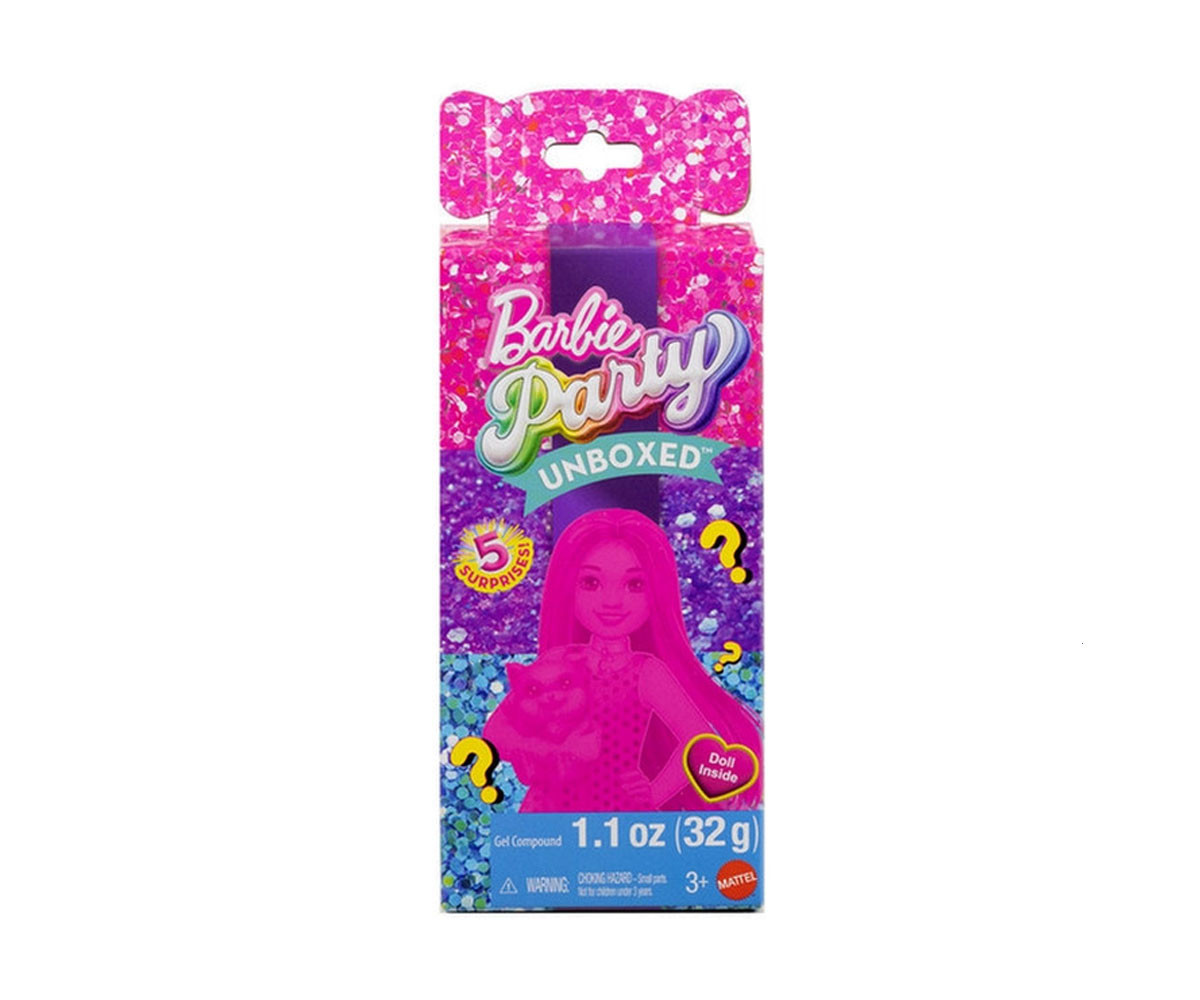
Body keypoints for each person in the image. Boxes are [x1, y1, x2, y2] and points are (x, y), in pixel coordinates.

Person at [484, 507, 762, 811]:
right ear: (568, 587)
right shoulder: (559, 660)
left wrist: (655, 793)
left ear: (657, 593)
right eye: (591, 583)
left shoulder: (644, 671)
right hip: (549, 809)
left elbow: (698, 740)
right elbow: (496, 732)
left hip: (617, 810)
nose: (612, 601)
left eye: (635, 585)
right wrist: (544, 752)